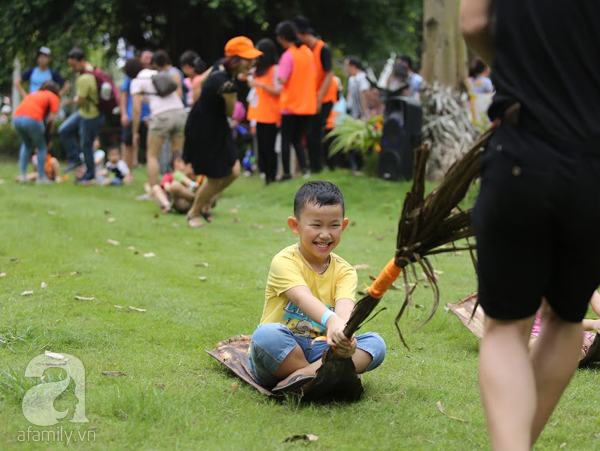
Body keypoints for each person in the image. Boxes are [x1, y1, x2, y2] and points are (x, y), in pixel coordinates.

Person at [461, 1, 600, 449]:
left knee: (506, 326)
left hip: (524, 149)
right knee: (565, 319)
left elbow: (475, 22)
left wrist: (527, 70)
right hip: (594, 166)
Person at [248, 181, 386, 393]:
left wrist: (345, 336)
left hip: (321, 349)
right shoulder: (284, 261)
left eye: (334, 225)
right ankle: (324, 376)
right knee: (266, 336)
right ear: (295, 226)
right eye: (316, 225)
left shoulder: (345, 271)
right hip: (283, 352)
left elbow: (344, 310)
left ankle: (303, 378)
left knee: (376, 344)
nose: (325, 234)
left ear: (344, 225)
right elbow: (303, 298)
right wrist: (332, 321)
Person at [183, 36, 262, 228]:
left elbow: (200, 83)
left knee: (234, 171)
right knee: (216, 176)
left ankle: (207, 200)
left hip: (217, 126)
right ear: (235, 59)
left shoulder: (221, 67)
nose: (252, 62)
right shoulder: (223, 82)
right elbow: (229, 111)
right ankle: (193, 212)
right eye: (247, 58)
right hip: (205, 130)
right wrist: (230, 98)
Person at [126, 55, 187, 188]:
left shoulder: (137, 81)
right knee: (178, 155)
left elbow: (136, 109)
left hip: (161, 116)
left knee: (152, 155)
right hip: (180, 112)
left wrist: (135, 132)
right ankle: (180, 186)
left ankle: (154, 190)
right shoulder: (156, 73)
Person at [293, 16, 337, 174]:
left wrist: (319, 98)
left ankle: (319, 167)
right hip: (312, 98)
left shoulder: (322, 48)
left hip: (325, 97)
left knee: (314, 132)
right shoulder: (306, 50)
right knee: (311, 133)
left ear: (302, 34)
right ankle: (316, 166)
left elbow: (329, 73)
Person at [275, 21, 317, 181]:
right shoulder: (307, 52)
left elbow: (282, 79)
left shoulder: (288, 55)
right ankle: (305, 169)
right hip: (307, 105)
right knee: (298, 139)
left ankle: (286, 173)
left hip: (291, 105)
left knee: (286, 140)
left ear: (284, 38)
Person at [58, 48, 106, 183]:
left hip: (91, 115)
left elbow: (81, 100)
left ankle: (89, 175)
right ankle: (75, 160)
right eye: (70, 66)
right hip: (85, 112)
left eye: (74, 65)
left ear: (82, 61)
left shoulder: (84, 78)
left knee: (86, 144)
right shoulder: (91, 68)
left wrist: (74, 100)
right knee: (64, 130)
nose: (73, 68)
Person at [246, 38, 281, 185]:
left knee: (269, 147)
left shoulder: (275, 69)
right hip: (258, 115)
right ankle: (265, 174)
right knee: (261, 148)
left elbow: (279, 91)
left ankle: (271, 176)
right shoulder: (257, 71)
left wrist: (261, 85)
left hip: (272, 115)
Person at [12, 80, 60, 184]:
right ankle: (41, 177)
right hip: (33, 119)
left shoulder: (34, 94)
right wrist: (48, 136)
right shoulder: (54, 97)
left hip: (17, 119)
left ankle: (22, 176)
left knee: (26, 144)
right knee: (42, 146)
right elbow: (51, 119)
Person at [120, 49, 153, 172]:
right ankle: (129, 173)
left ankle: (152, 177)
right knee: (128, 144)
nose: (147, 60)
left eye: (150, 57)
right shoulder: (132, 77)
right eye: (145, 57)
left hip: (149, 117)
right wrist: (123, 113)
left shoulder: (153, 75)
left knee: (151, 147)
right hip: (131, 116)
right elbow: (124, 94)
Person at [344, 56, 369, 174]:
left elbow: (363, 96)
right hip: (353, 115)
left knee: (358, 142)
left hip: (361, 115)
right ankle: (353, 166)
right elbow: (349, 96)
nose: (346, 69)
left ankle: (358, 166)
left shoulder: (362, 79)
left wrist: (364, 114)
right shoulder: (352, 80)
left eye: (347, 66)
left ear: (353, 66)